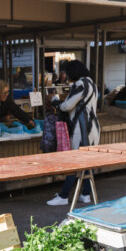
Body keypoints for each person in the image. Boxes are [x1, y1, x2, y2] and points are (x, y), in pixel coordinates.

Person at [46, 60, 99, 206]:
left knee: (73, 161)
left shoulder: (80, 84)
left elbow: (66, 106)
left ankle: (63, 196)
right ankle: (85, 194)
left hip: (81, 129)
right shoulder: (92, 84)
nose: (66, 75)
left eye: (67, 72)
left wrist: (55, 100)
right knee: (89, 162)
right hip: (93, 128)